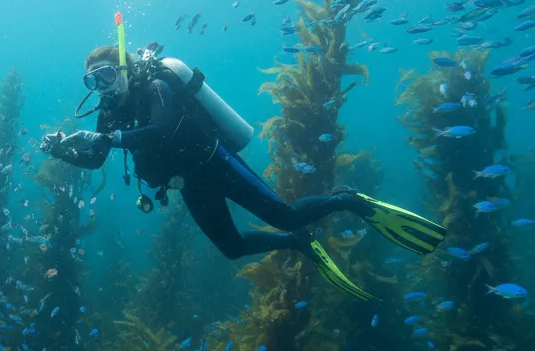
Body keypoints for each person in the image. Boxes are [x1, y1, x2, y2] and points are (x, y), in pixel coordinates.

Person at [40, 25, 446, 300]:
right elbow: (95, 160)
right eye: (92, 81)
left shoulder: (156, 86)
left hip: (212, 161)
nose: (101, 88)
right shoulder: (109, 112)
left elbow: (161, 132)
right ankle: (299, 243)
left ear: (124, 69)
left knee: (285, 214)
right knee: (233, 248)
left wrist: (108, 138)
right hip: (187, 182)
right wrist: (63, 149)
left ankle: (348, 200)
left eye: (107, 76)